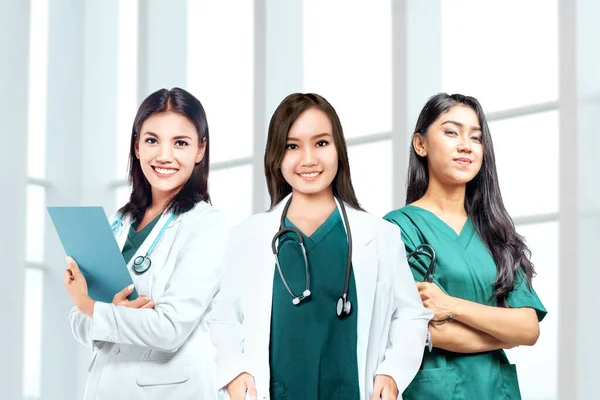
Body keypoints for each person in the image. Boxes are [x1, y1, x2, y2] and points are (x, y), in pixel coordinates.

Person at [210, 93, 432, 400]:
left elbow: (410, 315)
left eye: (321, 143)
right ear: (276, 155)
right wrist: (234, 370)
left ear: (339, 149)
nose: (308, 159)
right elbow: (223, 318)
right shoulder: (248, 236)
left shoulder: (380, 235)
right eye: (292, 146)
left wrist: (392, 372)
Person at [64, 87, 228, 399]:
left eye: (180, 143)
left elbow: (169, 329)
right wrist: (103, 311)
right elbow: (77, 321)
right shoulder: (119, 222)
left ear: (200, 150)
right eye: (152, 140)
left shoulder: (209, 225)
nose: (164, 155)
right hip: (106, 387)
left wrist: (92, 306)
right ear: (137, 146)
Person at [384, 93, 547, 400]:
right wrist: (503, 334)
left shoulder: (496, 232)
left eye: (476, 137)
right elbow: (428, 331)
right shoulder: (398, 229)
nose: (466, 145)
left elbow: (528, 328)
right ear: (420, 144)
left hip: (497, 390)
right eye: (451, 132)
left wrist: (452, 306)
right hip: (435, 391)